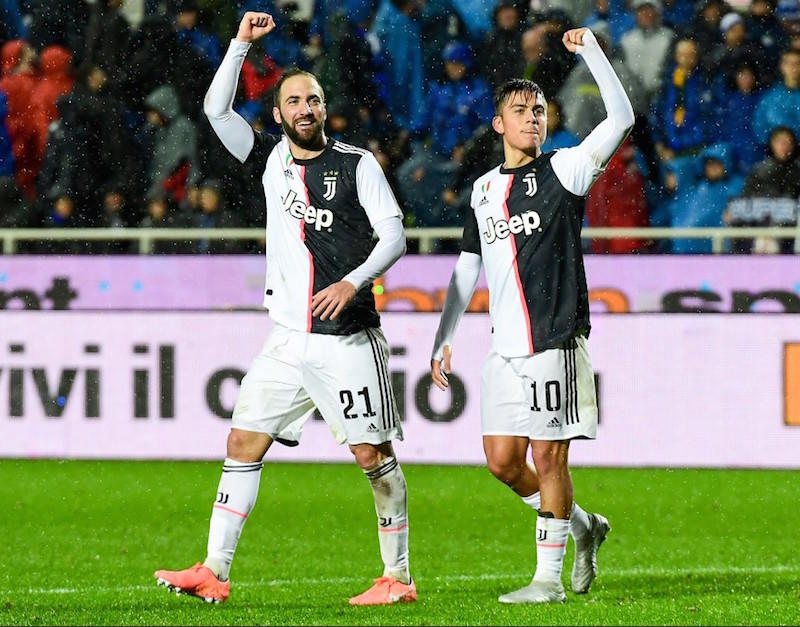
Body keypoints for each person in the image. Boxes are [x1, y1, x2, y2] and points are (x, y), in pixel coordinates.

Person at [154, 11, 416, 606]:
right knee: (243, 444)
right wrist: (240, 46)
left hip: (345, 339)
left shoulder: (357, 165)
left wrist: (353, 281)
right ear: (278, 114)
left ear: (325, 109)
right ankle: (214, 570)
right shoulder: (272, 159)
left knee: (373, 457)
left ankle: (397, 577)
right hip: (285, 340)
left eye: (314, 100)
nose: (305, 108)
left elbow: (395, 236)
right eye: (294, 101)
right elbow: (218, 111)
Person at [429, 26, 634, 604]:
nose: (532, 118)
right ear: (499, 125)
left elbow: (620, 119)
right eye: (520, 111)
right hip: (505, 348)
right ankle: (583, 526)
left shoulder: (566, 170)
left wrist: (592, 51)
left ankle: (547, 580)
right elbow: (467, 269)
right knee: (501, 462)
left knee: (548, 455)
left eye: (539, 110)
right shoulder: (482, 191)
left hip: (555, 339)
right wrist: (443, 338)